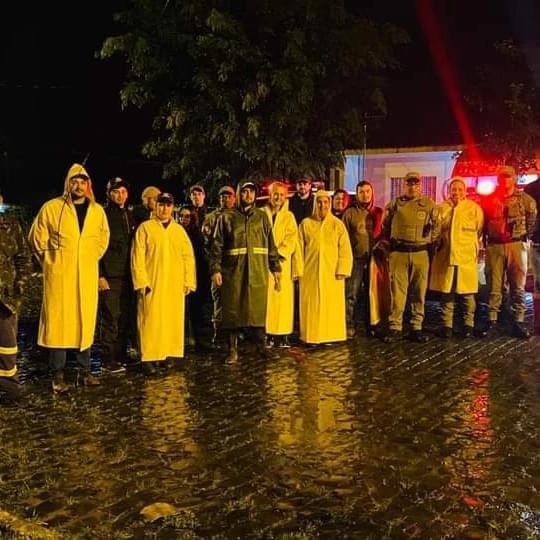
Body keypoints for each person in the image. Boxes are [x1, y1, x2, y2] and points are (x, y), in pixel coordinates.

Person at [28, 163, 110, 393]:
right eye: (74, 181)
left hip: (85, 274)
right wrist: (49, 256)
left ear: (88, 185)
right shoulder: (53, 208)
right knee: (60, 324)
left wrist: (90, 255)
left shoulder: (97, 211)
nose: (79, 186)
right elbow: (36, 236)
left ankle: (84, 371)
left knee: (85, 321)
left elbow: (103, 238)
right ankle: (58, 374)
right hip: (61, 274)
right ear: (68, 183)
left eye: (83, 182)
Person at [209, 180, 281, 362]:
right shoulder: (226, 217)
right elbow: (216, 245)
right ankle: (232, 349)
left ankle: (261, 346)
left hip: (257, 271)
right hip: (233, 271)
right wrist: (216, 269)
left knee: (257, 311)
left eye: (251, 192)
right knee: (232, 311)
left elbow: (270, 243)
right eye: (244, 192)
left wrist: (275, 267)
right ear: (239, 194)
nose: (248, 195)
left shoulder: (262, 217)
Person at [131, 193, 196, 374]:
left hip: (173, 284)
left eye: (168, 205)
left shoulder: (178, 231)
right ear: (155, 206)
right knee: (150, 321)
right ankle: (149, 358)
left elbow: (187, 257)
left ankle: (168, 354)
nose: (164, 209)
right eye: (161, 205)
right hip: (153, 282)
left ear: (172, 207)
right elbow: (138, 257)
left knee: (170, 320)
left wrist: (188, 280)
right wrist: (141, 281)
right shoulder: (145, 228)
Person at [380, 171, 440, 343]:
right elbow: (385, 226)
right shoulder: (394, 204)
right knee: (397, 292)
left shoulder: (428, 205)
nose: (412, 186)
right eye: (409, 183)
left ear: (420, 185)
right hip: (399, 253)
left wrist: (429, 241)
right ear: (404, 185)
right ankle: (395, 327)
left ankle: (416, 326)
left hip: (420, 253)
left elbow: (437, 226)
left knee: (418, 292)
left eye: (415, 183)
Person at [479, 165, 537, 338]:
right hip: (495, 246)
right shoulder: (489, 199)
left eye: (509, 177)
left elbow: (532, 220)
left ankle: (518, 321)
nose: (505, 180)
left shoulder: (526, 200)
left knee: (517, 286)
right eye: (502, 177)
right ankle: (492, 320)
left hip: (516, 245)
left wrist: (523, 237)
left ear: (514, 179)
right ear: (499, 179)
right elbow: (483, 221)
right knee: (494, 285)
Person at [429, 177, 484, 338]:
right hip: (446, 256)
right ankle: (446, 325)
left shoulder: (474, 208)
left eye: (460, 189)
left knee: (468, 294)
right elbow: (436, 231)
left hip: (466, 257)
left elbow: (479, 230)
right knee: (447, 293)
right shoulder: (441, 208)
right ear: (449, 191)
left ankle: (468, 325)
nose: (457, 192)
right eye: (454, 189)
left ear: (465, 191)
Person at [298, 190, 352, 345]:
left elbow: (345, 249)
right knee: (311, 306)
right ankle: (311, 337)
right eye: (320, 202)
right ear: (315, 204)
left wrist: (342, 269)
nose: (323, 205)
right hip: (310, 272)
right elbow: (299, 248)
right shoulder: (306, 224)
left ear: (329, 204)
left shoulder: (337, 225)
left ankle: (331, 336)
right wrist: (299, 270)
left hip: (332, 273)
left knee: (331, 305)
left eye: (326, 202)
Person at [98, 177, 136, 373]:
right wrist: (100, 274)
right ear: (108, 194)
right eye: (115, 192)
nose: (120, 195)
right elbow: (96, 247)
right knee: (110, 318)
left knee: (124, 317)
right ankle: (108, 358)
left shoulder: (130, 216)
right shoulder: (102, 215)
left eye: (123, 192)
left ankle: (121, 355)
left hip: (128, 275)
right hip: (110, 275)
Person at [342, 180, 383, 337]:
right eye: (361, 192)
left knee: (372, 296)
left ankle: (372, 325)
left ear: (372, 193)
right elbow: (343, 238)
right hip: (356, 260)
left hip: (374, 260)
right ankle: (348, 325)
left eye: (367, 191)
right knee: (351, 294)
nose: (365, 195)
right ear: (357, 194)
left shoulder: (378, 212)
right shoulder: (350, 213)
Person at [263, 181, 302, 348]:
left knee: (284, 300)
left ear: (285, 197)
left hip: (282, 263)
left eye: (281, 195)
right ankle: (268, 333)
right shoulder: (261, 214)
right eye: (275, 194)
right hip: (264, 262)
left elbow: (291, 239)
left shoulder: (289, 217)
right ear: (270, 195)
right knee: (268, 301)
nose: (278, 197)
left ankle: (284, 334)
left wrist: (278, 253)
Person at [0, 208, 32, 403]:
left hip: (6, 298)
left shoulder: (11, 226)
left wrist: (19, 285)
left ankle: (9, 387)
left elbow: (23, 257)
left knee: (7, 345)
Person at [202, 185, 236, 345]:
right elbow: (207, 242)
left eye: (229, 196)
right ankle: (218, 333)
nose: (225, 199)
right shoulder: (211, 217)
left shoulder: (238, 216)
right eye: (223, 196)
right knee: (218, 299)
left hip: (234, 266)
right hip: (217, 264)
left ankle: (235, 335)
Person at [524, 174, 540, 334]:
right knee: (539, 284)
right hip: (537, 242)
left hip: (536, 241)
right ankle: (538, 323)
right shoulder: (531, 189)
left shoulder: (530, 189)